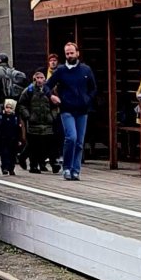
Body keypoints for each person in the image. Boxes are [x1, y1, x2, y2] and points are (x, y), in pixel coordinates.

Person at [45, 41, 97, 181]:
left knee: (80, 142)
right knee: (71, 137)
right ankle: (66, 168)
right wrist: (52, 96)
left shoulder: (86, 70)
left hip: (82, 110)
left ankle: (76, 170)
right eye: (67, 53)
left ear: (77, 53)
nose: (69, 55)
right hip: (66, 109)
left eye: (71, 53)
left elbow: (93, 88)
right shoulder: (60, 71)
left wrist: (87, 99)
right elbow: (47, 86)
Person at [0, 54, 28, 164]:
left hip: (1, 104)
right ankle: (14, 155)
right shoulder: (12, 71)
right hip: (13, 104)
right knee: (13, 130)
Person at [18, 69, 60, 173]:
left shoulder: (49, 91)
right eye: (38, 78)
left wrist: (53, 116)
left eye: (42, 78)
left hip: (47, 122)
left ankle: (52, 163)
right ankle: (33, 166)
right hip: (33, 122)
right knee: (33, 145)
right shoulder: (29, 90)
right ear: (34, 79)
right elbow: (22, 104)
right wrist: (28, 116)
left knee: (48, 144)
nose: (40, 80)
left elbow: (55, 105)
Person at [0, 98, 23, 175]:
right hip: (3, 139)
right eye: (7, 107)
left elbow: (19, 130)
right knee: (4, 154)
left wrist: (19, 140)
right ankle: (4, 167)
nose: (8, 110)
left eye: (10, 108)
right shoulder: (1, 117)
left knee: (12, 155)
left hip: (13, 140)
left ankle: (11, 168)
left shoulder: (15, 118)